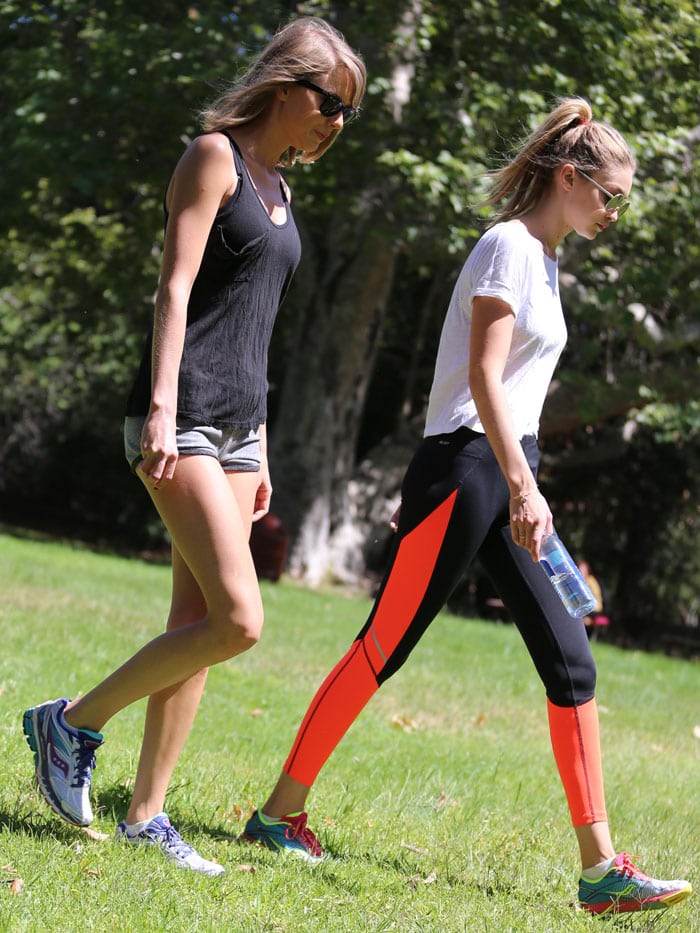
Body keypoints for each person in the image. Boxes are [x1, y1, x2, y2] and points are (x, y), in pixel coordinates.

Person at [241, 98, 693, 916]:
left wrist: (527, 480)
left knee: (573, 663)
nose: (615, 211)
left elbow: (512, 394)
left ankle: (601, 870)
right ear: (568, 176)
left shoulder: (548, 258)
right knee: (384, 644)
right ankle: (277, 815)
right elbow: (483, 379)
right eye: (611, 194)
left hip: (506, 469)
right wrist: (518, 483)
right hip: (468, 469)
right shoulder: (508, 247)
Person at [22, 16, 366, 876]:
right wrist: (163, 412)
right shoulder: (213, 156)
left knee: (198, 620)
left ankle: (146, 812)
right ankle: (69, 723)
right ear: (288, 86)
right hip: (184, 416)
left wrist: (264, 446)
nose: (335, 122)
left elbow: (256, 327)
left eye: (347, 113)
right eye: (331, 103)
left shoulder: (282, 189)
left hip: (240, 429)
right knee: (240, 620)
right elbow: (173, 291)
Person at [578, 559, 610, 638]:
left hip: (593, 609)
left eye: (582, 569)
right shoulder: (590, 580)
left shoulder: (589, 580)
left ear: (587, 571)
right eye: (579, 568)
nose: (580, 571)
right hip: (594, 608)